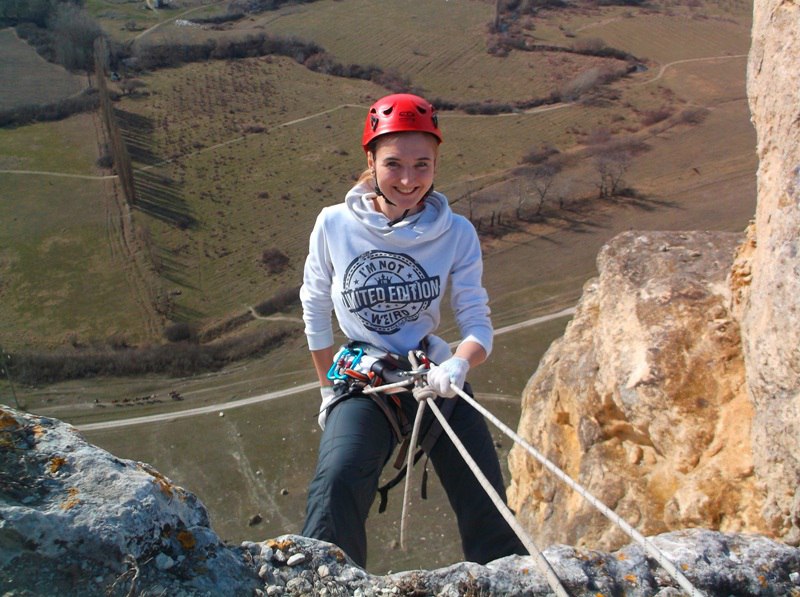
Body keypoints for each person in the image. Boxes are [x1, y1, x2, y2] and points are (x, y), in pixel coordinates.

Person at [299, 93, 527, 568]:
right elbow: (314, 307)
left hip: (433, 371)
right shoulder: (334, 224)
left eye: (422, 165)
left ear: (437, 164)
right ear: (370, 162)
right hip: (364, 378)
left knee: (487, 498)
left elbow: (477, 322)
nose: (408, 180)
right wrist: (325, 390)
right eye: (393, 164)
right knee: (336, 483)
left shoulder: (456, 233)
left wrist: (459, 363)